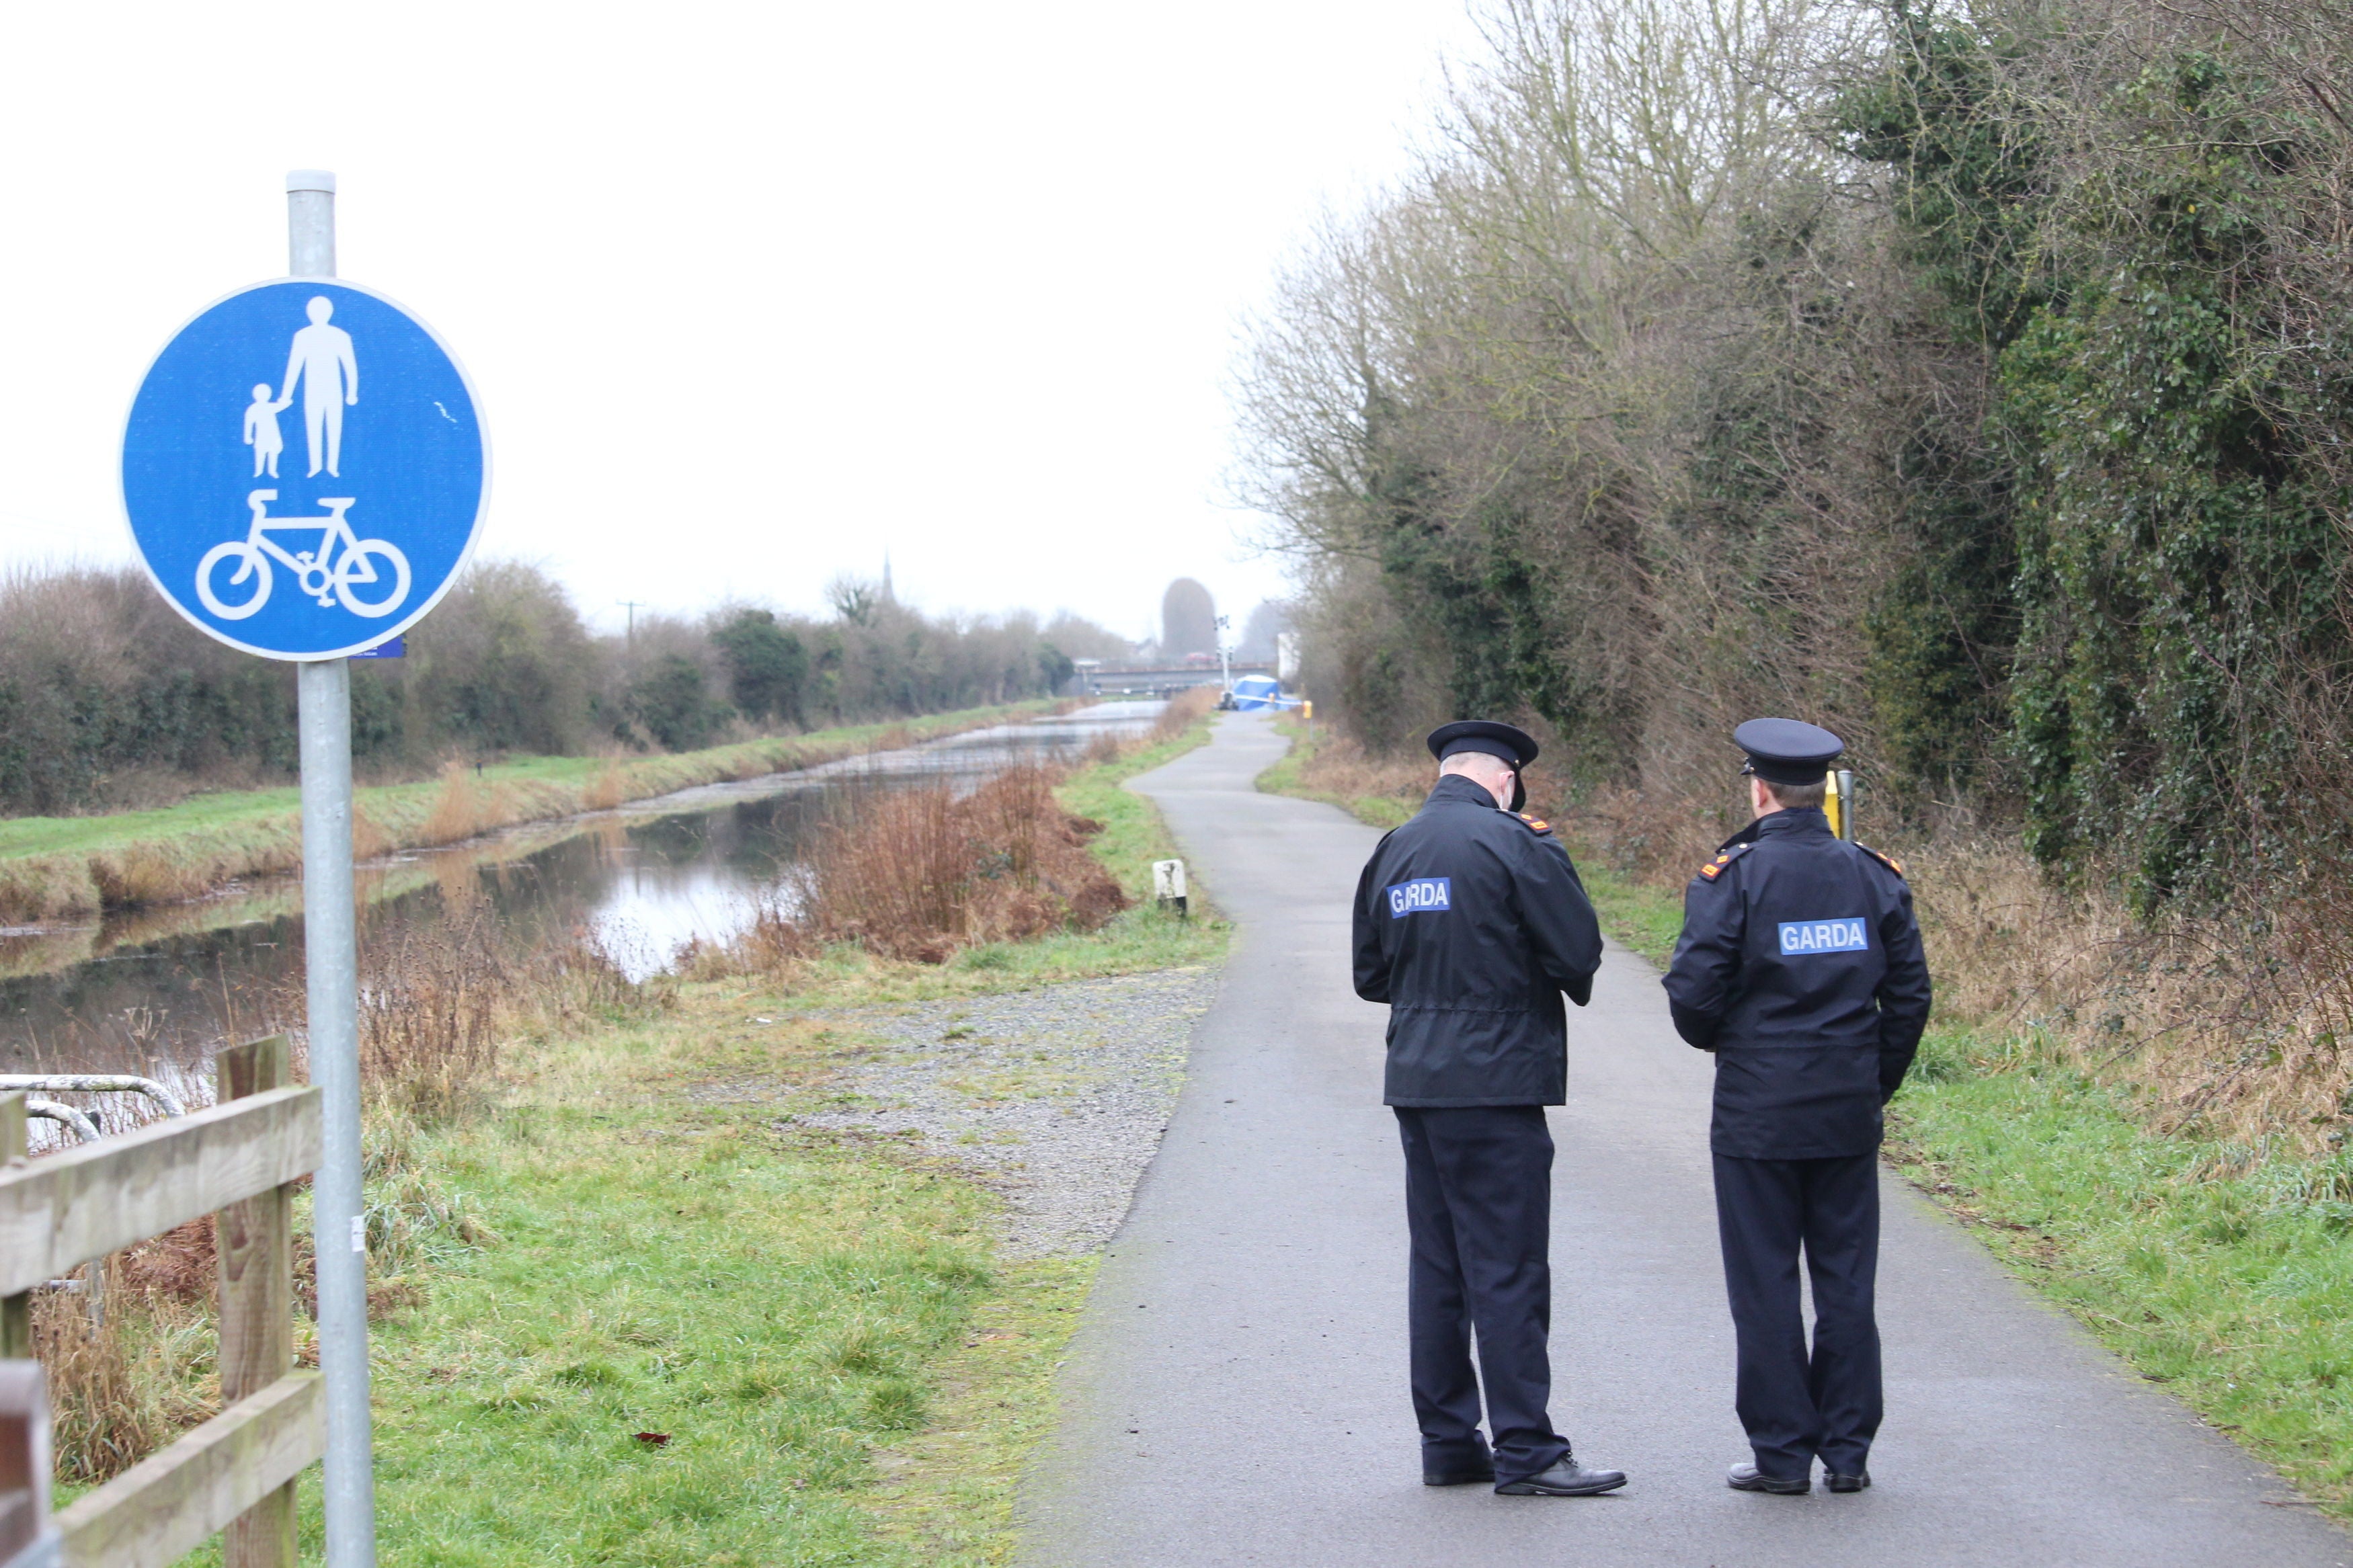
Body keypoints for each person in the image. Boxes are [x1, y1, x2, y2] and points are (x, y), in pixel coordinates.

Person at [1351, 718, 1625, 1497]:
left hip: (1417, 1082)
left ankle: (1448, 1442)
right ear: (1505, 779)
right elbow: (1577, 953)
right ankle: (1528, 1451)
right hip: (1498, 1082)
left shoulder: (1392, 848)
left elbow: (1370, 974)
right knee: (1505, 1267)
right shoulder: (1517, 844)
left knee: (1438, 1267)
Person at [1661, 718, 1931, 1496]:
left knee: (1765, 1283)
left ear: (1759, 788)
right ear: (1822, 791)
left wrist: (1736, 1046)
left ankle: (1781, 1453)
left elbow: (1691, 993)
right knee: (1846, 1279)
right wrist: (1871, 1076)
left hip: (1756, 1110)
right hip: (1844, 1107)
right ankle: (1847, 1451)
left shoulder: (1733, 877)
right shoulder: (1872, 875)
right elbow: (1909, 993)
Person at [279, 295, 358, 478]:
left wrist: (352, 392)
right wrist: (286, 395)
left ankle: (332, 467)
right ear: (309, 314)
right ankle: (315, 467)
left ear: (329, 313)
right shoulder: (303, 336)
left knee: (334, 427)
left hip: (334, 391)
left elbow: (350, 366)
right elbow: (294, 367)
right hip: (312, 390)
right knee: (313, 427)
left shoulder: (340, 336)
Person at [242, 384, 290, 478]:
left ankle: (272, 471)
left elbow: (281, 406)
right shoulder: (253, 409)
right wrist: (247, 436)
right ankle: (258, 471)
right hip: (261, 436)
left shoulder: (270, 406)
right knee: (260, 453)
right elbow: (249, 423)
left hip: (273, 435)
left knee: (273, 453)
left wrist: (286, 402)